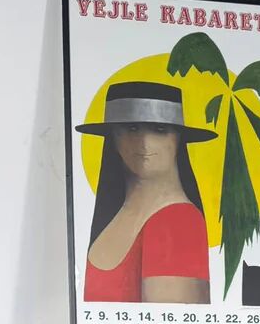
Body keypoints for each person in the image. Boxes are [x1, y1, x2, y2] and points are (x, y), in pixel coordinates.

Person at [76, 81, 217, 303]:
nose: (144, 142)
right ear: (114, 136)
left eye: (159, 130)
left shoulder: (178, 222)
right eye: (132, 129)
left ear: (178, 138)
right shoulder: (117, 213)